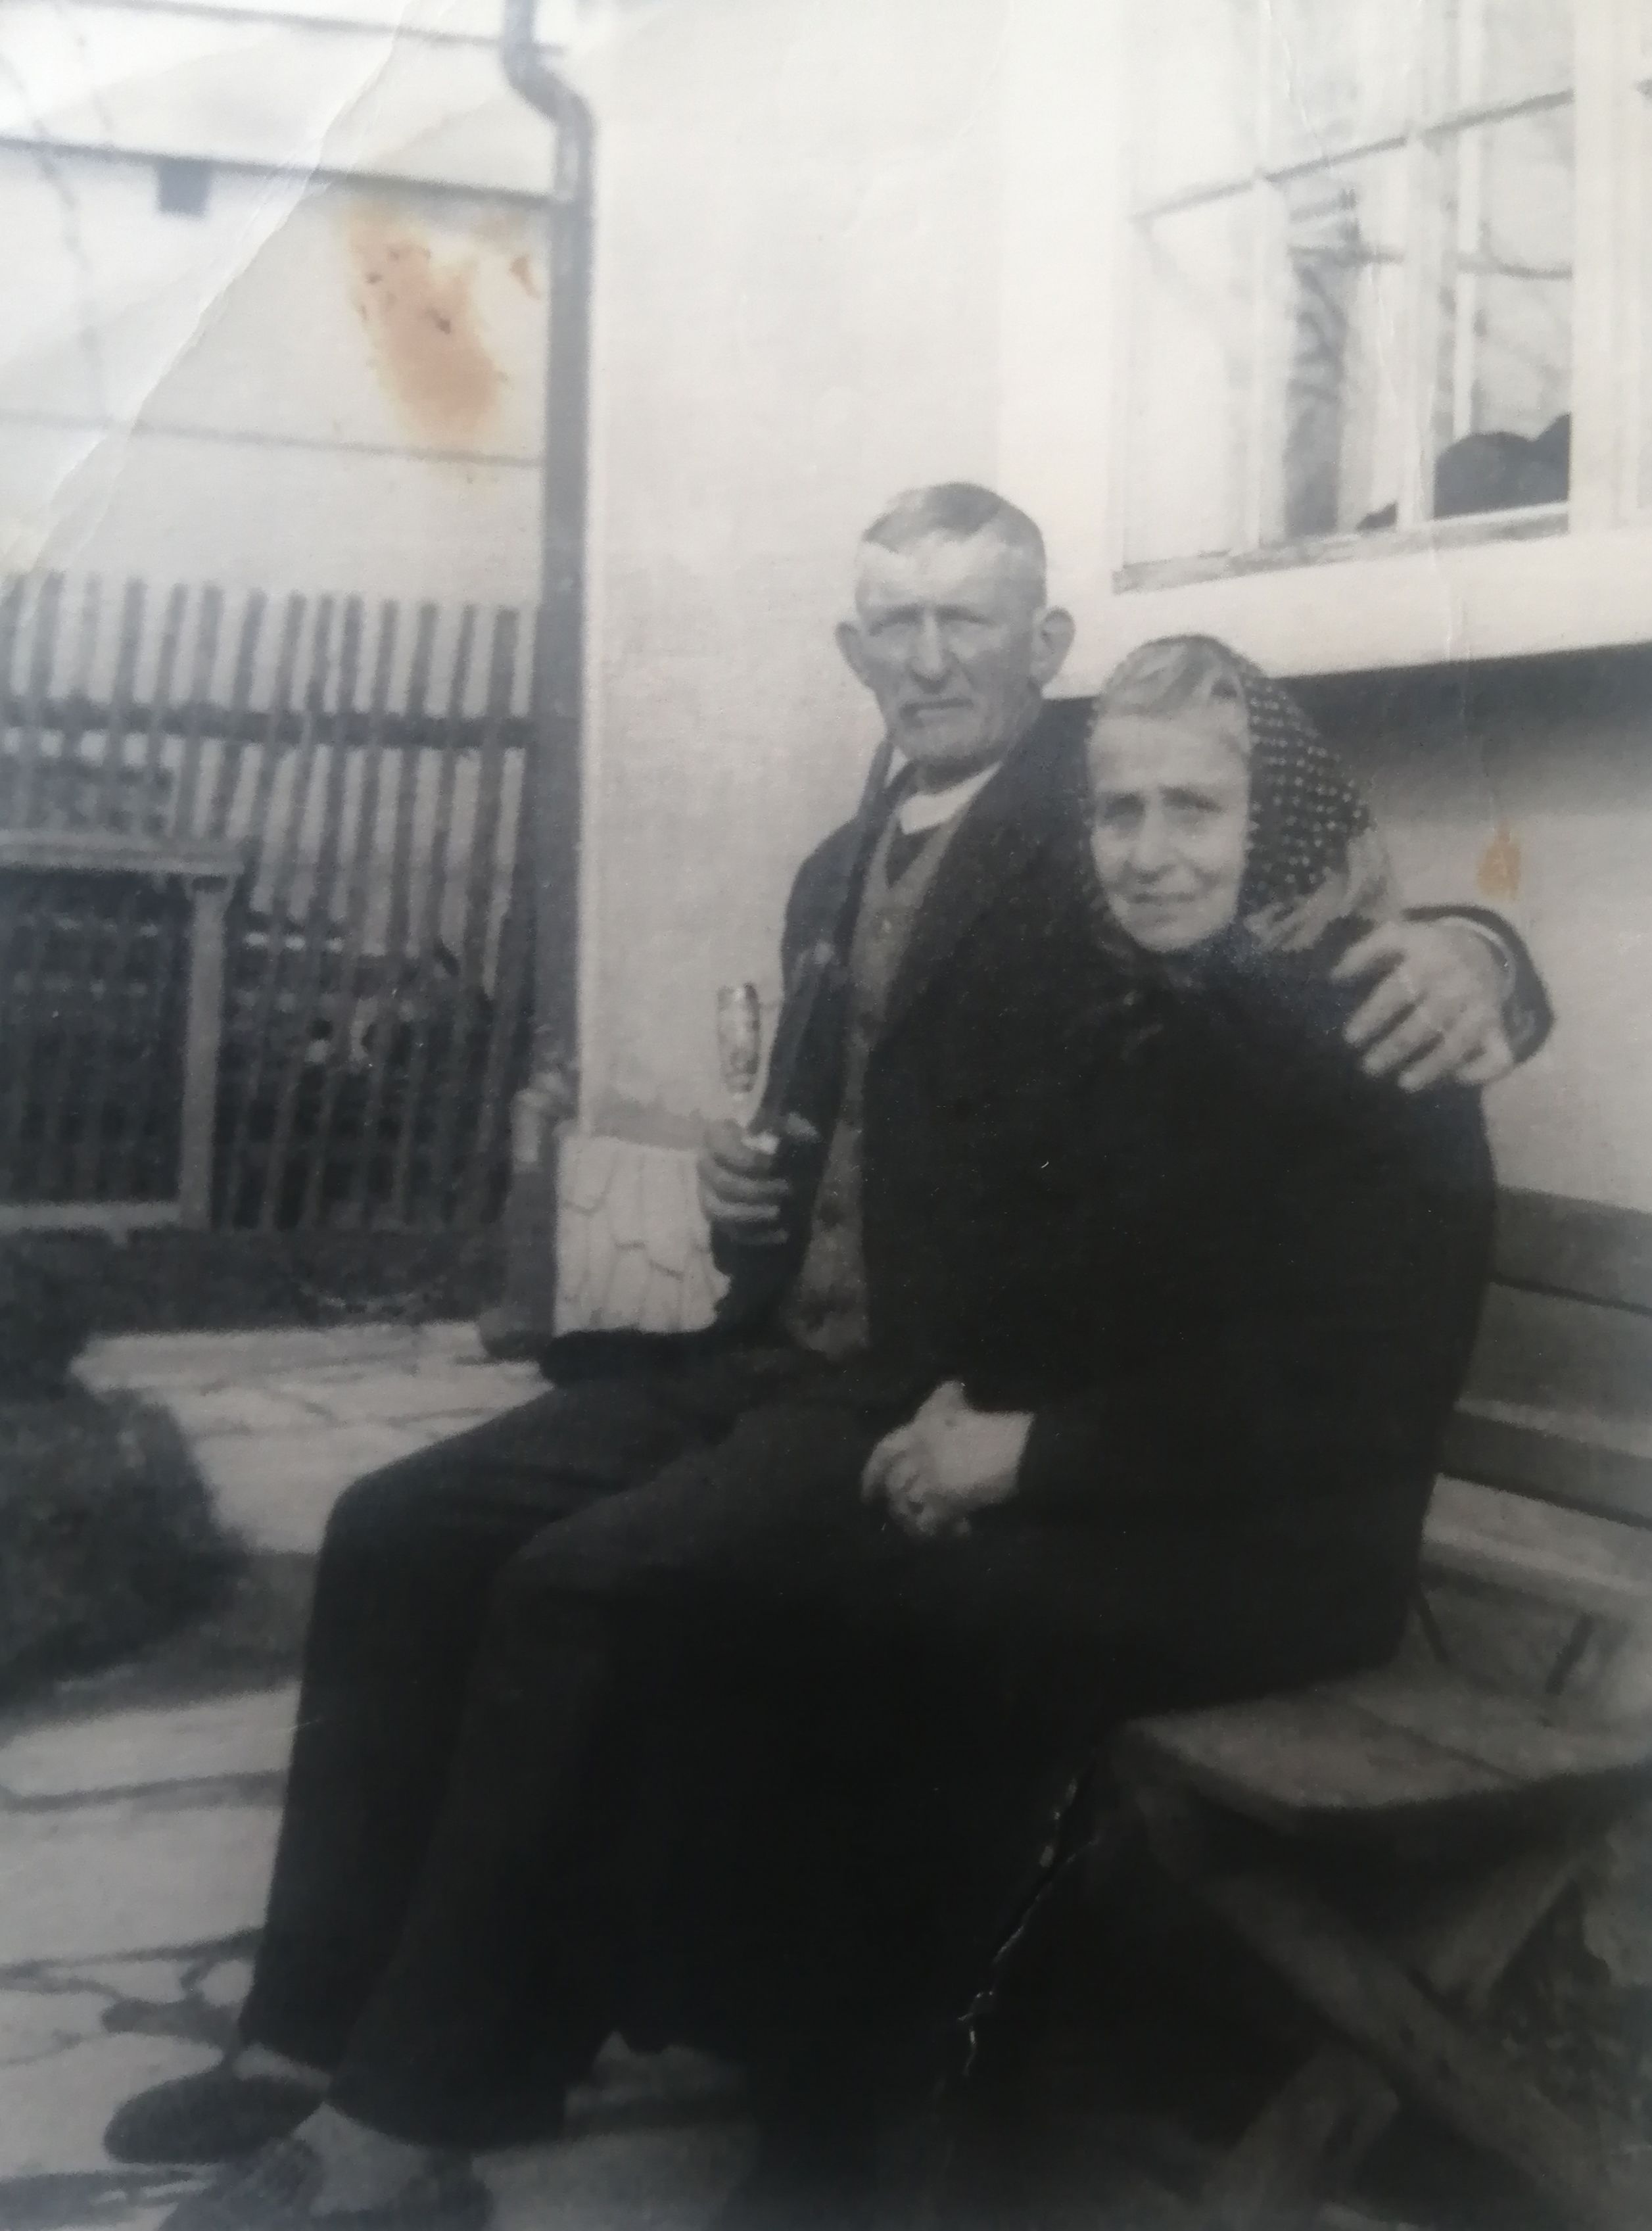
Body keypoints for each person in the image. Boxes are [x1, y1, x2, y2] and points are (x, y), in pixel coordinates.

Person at [111, 491, 1544, 2231]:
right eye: (894, 625)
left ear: (1045, 645)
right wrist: (756, 1200)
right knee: (404, 1528)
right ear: (852, 645)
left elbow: (1326, 1283)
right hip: (904, 1382)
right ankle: (328, 2035)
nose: (1148, 846)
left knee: (647, 1600)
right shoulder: (983, 916)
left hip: (1062, 1447)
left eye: (968, 622)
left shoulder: (1157, 870)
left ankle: (546, 2105)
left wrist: (1485, 949)